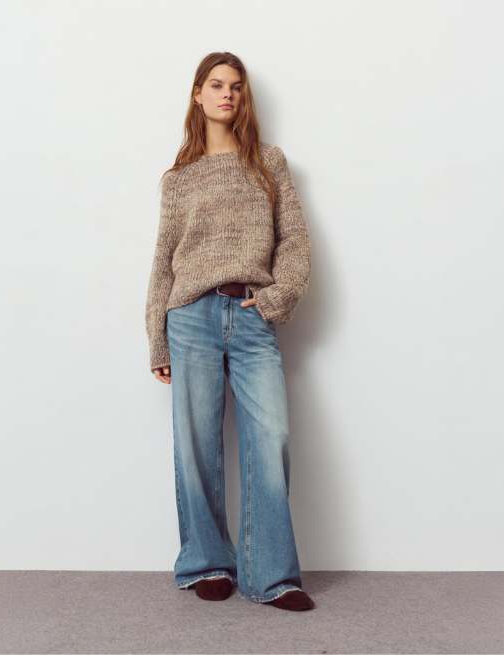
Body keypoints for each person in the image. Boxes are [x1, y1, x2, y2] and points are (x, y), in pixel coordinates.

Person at [145, 52, 314, 611]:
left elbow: (294, 240)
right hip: (189, 317)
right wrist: (157, 338)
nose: (227, 94)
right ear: (198, 94)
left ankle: (271, 576)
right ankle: (206, 563)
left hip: (251, 315)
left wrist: (275, 299)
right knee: (195, 444)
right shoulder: (179, 178)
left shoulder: (268, 162)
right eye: (216, 85)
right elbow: (163, 262)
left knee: (271, 436)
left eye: (236, 86)